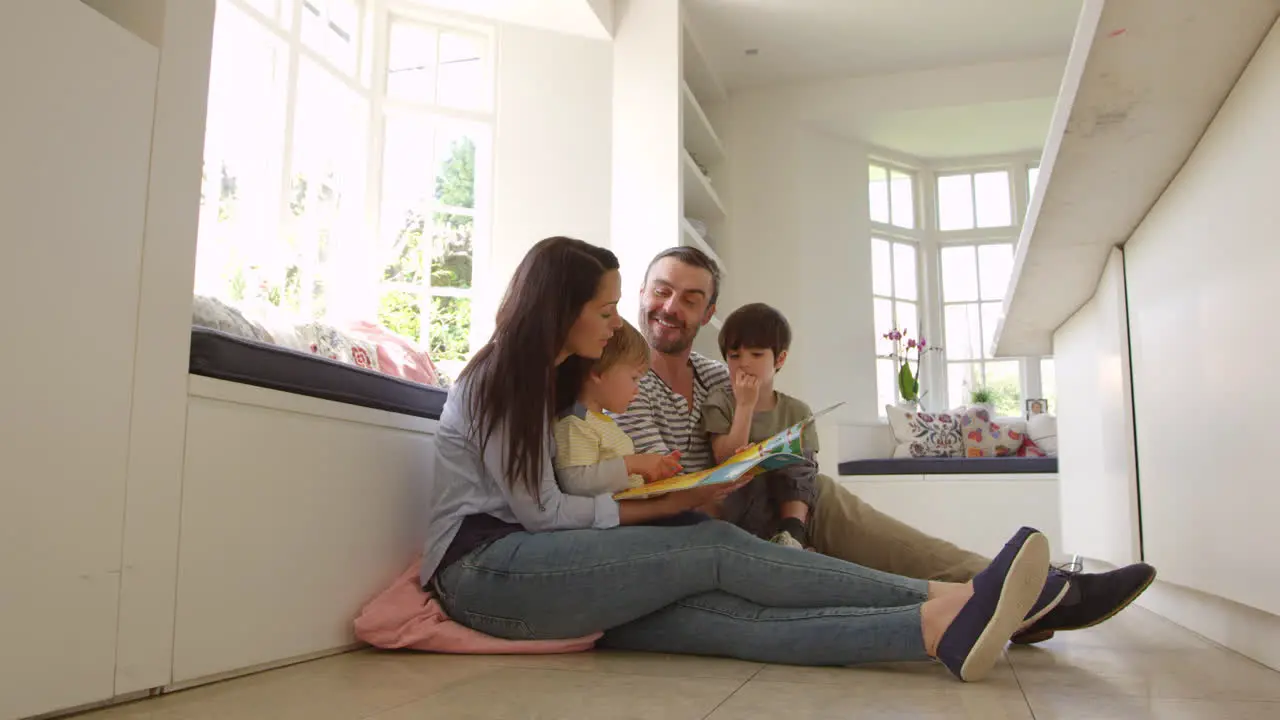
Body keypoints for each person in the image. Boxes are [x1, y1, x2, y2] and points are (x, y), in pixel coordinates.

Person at [421, 235, 1068, 681]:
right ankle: (964, 595)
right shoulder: (501, 379)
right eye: (606, 309)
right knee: (712, 547)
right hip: (486, 571)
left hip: (550, 573)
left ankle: (932, 629)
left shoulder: (565, 379)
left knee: (727, 621)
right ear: (561, 311)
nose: (617, 323)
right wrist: (675, 502)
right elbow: (545, 516)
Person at [612, 245, 1157, 644]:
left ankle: (1024, 590)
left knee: (818, 489)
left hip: (755, 504)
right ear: (642, 295)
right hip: (704, 527)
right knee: (823, 510)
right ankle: (1026, 596)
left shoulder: (719, 372)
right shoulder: (626, 382)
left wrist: (778, 455)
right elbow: (666, 490)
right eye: (661, 291)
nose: (670, 307)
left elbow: (775, 419)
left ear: (707, 315)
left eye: (689, 298)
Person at [702, 302, 818, 549]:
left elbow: (805, 475)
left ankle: (793, 535)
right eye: (734, 356)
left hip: (784, 505)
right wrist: (745, 405)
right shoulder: (719, 401)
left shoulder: (797, 410)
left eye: (756, 354)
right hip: (740, 499)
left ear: (780, 359)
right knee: (746, 470)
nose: (744, 363)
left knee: (800, 458)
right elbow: (724, 459)